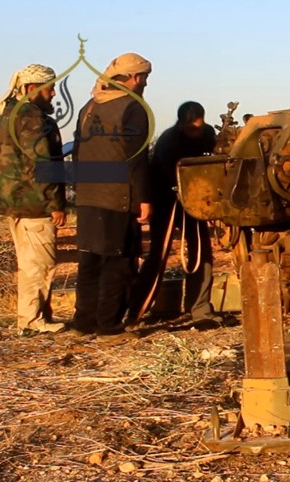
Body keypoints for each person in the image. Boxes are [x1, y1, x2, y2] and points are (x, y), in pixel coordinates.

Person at [70, 53, 153, 336]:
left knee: (89, 261)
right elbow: (136, 158)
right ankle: (109, 326)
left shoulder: (89, 106)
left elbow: (78, 154)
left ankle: (83, 322)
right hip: (118, 196)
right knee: (118, 262)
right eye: (145, 78)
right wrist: (144, 198)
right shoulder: (133, 108)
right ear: (134, 78)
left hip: (87, 195)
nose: (145, 84)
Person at [127, 101, 221, 330]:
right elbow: (167, 174)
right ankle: (135, 311)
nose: (196, 132)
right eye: (191, 129)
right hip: (166, 200)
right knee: (158, 255)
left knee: (202, 254)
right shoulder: (169, 141)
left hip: (195, 200)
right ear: (182, 124)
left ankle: (200, 309)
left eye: (199, 128)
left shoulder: (208, 134)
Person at [0, 64, 67, 336]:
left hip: (14, 203)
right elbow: (44, 164)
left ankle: (32, 315)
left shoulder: (5, 114)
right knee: (40, 264)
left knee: (29, 263)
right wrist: (56, 204)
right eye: (50, 88)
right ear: (33, 88)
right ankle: (33, 320)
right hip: (35, 204)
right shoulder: (32, 118)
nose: (54, 94)